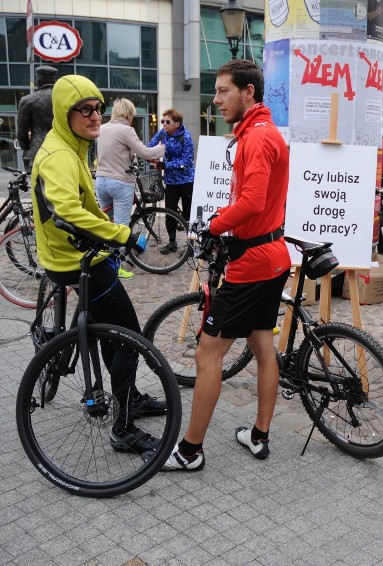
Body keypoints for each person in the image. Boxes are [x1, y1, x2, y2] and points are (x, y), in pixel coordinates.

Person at [153, 59, 290, 471]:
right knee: (263, 345)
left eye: (223, 91)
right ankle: (259, 436)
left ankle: (190, 451)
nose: (215, 100)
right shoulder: (260, 133)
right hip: (272, 255)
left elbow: (253, 202)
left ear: (248, 92)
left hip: (252, 262)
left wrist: (213, 225)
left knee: (207, 354)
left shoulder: (257, 139)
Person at [31, 74, 166, 455]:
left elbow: (81, 205)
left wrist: (105, 226)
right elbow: (66, 209)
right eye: (84, 110)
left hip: (76, 255)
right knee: (130, 338)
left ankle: (131, 397)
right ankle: (123, 426)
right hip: (79, 261)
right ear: (64, 112)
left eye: (98, 109)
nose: (94, 117)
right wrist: (120, 234)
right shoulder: (59, 155)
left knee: (113, 333)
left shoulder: (71, 145)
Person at [95, 98, 165, 279]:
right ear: (127, 114)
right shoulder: (125, 130)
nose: (132, 120)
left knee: (106, 225)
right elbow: (145, 153)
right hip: (119, 182)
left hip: (101, 181)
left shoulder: (102, 128)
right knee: (120, 227)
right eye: (132, 116)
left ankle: (103, 263)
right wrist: (163, 148)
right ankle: (116, 268)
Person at [147, 109, 195, 255]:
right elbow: (150, 147)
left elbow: (187, 161)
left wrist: (166, 165)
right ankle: (172, 242)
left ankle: (190, 246)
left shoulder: (186, 137)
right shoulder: (163, 133)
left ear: (177, 124)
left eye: (167, 122)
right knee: (170, 212)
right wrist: (153, 157)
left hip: (186, 181)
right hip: (171, 181)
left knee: (188, 214)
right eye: (162, 121)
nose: (164, 124)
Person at [17, 66, 58, 172]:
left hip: (37, 151)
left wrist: (28, 149)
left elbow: (22, 134)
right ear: (54, 80)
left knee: (38, 186)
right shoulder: (64, 98)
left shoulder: (27, 100)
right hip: (61, 150)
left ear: (38, 80)